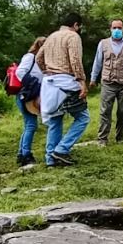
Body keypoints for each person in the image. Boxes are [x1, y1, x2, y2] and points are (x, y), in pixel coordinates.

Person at [35, 10, 89, 167]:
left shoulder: (51, 36)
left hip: (50, 82)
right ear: (76, 25)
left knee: (55, 119)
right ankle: (61, 149)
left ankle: (50, 158)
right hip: (66, 82)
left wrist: (46, 70)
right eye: (79, 27)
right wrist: (81, 81)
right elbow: (75, 60)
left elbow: (38, 58)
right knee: (83, 117)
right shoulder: (73, 36)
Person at [89, 18, 123, 145]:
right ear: (110, 29)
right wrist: (93, 79)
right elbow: (97, 62)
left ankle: (119, 137)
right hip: (108, 82)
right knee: (105, 111)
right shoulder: (103, 43)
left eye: (119, 28)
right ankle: (102, 139)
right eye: (114, 28)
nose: (117, 30)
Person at [14, 36, 45, 166]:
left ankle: (21, 153)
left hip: (33, 95)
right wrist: (33, 83)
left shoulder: (42, 61)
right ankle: (26, 155)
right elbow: (20, 72)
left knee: (29, 125)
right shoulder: (30, 57)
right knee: (31, 126)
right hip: (27, 95)